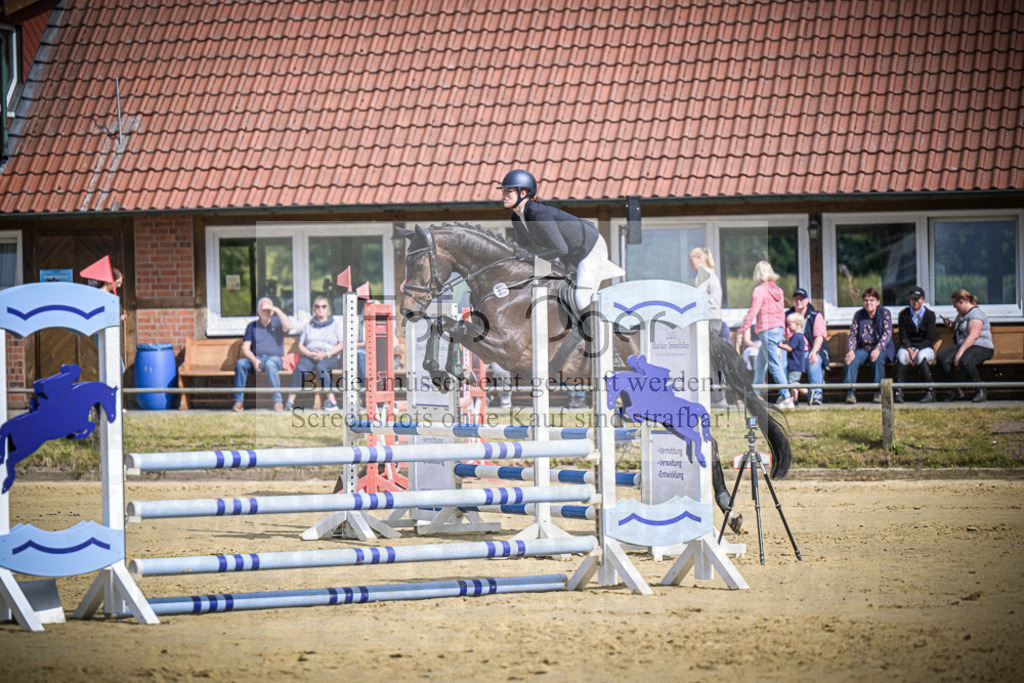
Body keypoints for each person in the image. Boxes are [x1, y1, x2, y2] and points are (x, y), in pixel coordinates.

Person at [498, 169, 621, 310]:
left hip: (589, 247)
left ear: (523, 193)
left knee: (581, 299)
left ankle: (596, 331)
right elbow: (525, 249)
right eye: (504, 191)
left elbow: (560, 248)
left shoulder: (538, 213)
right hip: (569, 255)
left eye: (509, 191)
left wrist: (530, 256)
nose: (504, 195)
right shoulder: (516, 217)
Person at [735, 260, 789, 403]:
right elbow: (782, 313)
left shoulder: (759, 290)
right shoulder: (779, 290)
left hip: (767, 330)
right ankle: (755, 396)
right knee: (760, 365)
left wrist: (742, 331)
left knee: (773, 364)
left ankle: (787, 398)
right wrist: (782, 332)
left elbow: (753, 312)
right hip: (777, 329)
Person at [233, 297, 293, 412]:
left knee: (271, 364)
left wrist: (277, 310)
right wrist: (253, 359)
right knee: (241, 363)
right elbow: (245, 347)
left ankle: (278, 401)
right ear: (258, 311)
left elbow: (289, 327)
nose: (266, 312)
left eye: (268, 310)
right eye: (263, 310)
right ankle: (238, 401)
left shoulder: (278, 323)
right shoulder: (252, 326)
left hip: (275, 359)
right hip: (257, 359)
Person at [283, 296, 344, 411]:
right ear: (314, 309)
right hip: (310, 355)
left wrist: (326, 354)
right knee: (300, 368)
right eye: (317, 306)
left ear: (328, 309)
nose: (320, 309)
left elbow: (341, 344)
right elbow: (301, 345)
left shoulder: (335, 324)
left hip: (329, 356)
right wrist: (310, 354)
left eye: (323, 306)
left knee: (321, 368)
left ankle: (332, 401)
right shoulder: (309, 325)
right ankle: (290, 402)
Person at [937, 289, 994, 403]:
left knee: (965, 361)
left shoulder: (976, 314)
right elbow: (962, 329)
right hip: (966, 345)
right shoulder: (962, 314)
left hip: (982, 347)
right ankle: (956, 390)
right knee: (942, 358)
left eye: (955, 304)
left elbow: (973, 336)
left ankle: (980, 391)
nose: (954, 307)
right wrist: (951, 325)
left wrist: (959, 354)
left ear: (962, 301)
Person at [690, 247, 728, 407]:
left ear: (699, 258)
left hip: (708, 320)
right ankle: (716, 396)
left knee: (709, 359)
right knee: (711, 358)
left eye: (691, 259)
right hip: (714, 319)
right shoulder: (710, 273)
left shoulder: (704, 274)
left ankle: (718, 398)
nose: (690, 263)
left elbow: (697, 298)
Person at [843, 288, 894, 404]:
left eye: (872, 300)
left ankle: (878, 393)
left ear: (878, 302)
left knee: (878, 359)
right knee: (851, 359)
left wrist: (878, 349)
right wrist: (851, 350)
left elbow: (887, 333)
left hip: (882, 348)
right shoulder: (859, 315)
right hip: (864, 349)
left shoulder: (885, 313)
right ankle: (850, 393)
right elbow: (852, 335)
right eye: (866, 300)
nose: (868, 303)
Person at [786, 288, 828, 405]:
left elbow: (819, 336)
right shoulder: (787, 316)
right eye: (796, 299)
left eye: (801, 299)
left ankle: (816, 394)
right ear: (792, 300)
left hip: (808, 350)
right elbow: (782, 335)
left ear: (807, 300)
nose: (799, 301)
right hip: (792, 352)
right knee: (781, 362)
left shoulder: (815, 315)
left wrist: (814, 351)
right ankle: (785, 396)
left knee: (814, 361)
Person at [895, 286, 937, 403]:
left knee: (920, 357)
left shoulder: (930, 315)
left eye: (918, 299)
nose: (915, 301)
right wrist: (909, 350)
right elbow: (903, 336)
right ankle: (898, 391)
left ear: (923, 299)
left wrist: (916, 350)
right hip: (908, 347)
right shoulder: (903, 314)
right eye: (912, 299)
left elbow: (929, 339)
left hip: (924, 347)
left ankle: (930, 391)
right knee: (901, 356)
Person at [777, 312, 806, 410]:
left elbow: (789, 348)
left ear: (798, 324)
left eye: (790, 324)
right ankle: (795, 400)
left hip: (795, 364)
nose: (788, 327)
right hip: (796, 364)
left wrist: (779, 344)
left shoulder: (796, 336)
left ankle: (807, 392)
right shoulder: (798, 336)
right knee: (793, 382)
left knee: (792, 383)